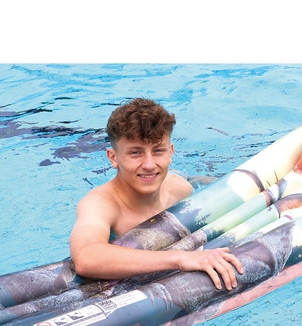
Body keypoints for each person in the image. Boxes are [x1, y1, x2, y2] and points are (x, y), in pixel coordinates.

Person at [69, 98, 244, 290]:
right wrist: (180, 258)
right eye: (135, 153)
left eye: (158, 151)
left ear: (170, 153)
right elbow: (86, 258)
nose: (149, 164)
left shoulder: (179, 189)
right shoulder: (99, 204)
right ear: (113, 157)